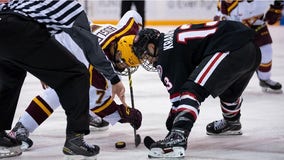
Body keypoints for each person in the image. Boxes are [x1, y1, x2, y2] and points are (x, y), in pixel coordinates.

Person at [0, 0, 126, 159]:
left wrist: (45, 68)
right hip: (22, 30)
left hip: (4, 26)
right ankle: (75, 140)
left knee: (11, 79)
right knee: (78, 75)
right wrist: (114, 79)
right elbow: (90, 46)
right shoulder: (71, 6)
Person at [131, 20, 261, 158]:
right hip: (251, 50)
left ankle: (178, 138)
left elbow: (180, 97)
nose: (147, 60)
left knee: (192, 90)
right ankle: (231, 121)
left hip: (231, 48)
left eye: (145, 53)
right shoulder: (171, 39)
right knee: (228, 90)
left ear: (152, 46)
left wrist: (173, 125)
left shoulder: (165, 55)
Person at [214, 0, 283, 93]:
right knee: (233, 55)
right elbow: (221, 20)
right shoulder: (229, 3)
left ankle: (265, 79)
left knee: (266, 51)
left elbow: (272, 17)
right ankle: (227, 81)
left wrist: (277, 7)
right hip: (235, 28)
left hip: (257, 26)